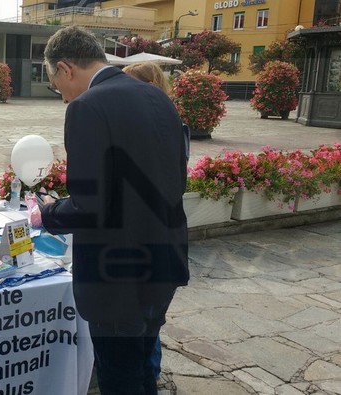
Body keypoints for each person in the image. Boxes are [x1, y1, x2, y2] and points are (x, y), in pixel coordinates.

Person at [39, 26, 189, 395]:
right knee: (141, 370)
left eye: (55, 85)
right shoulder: (158, 98)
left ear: (65, 68)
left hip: (117, 275)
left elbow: (90, 207)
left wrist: (49, 212)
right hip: (163, 263)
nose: (61, 96)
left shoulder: (87, 108)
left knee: (119, 377)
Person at [123, 61, 191, 382]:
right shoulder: (165, 122)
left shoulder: (165, 128)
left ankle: (146, 378)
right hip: (163, 245)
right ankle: (149, 377)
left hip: (153, 245)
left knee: (145, 326)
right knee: (149, 326)